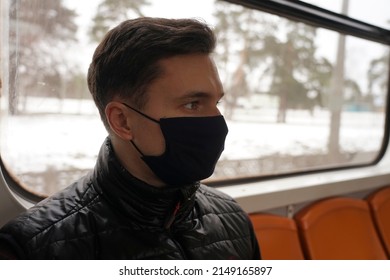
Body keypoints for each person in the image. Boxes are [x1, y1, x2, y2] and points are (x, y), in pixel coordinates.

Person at [0, 17, 260, 259]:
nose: (217, 122)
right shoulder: (31, 248)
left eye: (216, 103)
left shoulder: (233, 218)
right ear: (122, 121)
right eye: (193, 104)